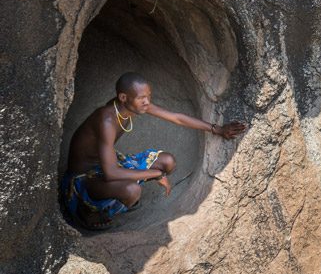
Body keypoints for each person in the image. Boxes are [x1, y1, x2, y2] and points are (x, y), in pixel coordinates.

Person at [62, 72, 246, 230]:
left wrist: (217, 129)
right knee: (132, 191)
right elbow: (111, 173)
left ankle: (116, 198)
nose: (147, 102)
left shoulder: (128, 106)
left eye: (148, 96)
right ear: (124, 97)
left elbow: (177, 118)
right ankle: (88, 211)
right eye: (142, 98)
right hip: (85, 179)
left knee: (167, 161)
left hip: (108, 165)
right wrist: (156, 175)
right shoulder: (107, 119)